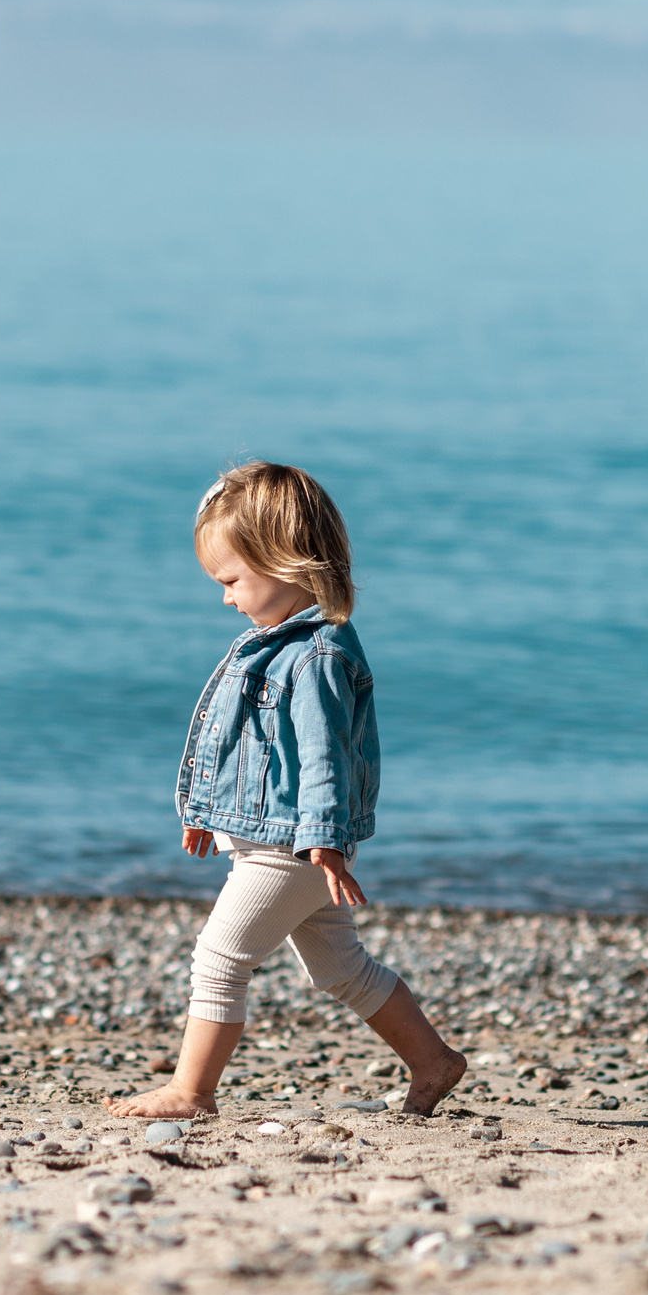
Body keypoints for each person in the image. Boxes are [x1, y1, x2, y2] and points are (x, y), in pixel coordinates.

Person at [108, 461, 468, 1120]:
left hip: (295, 847)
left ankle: (192, 1092)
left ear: (287, 562)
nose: (225, 597)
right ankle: (434, 1061)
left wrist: (324, 843)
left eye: (231, 580)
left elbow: (324, 757)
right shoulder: (272, 644)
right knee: (341, 970)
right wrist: (206, 815)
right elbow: (243, 745)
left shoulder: (317, 656)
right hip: (273, 840)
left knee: (220, 955)